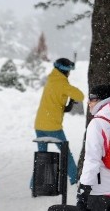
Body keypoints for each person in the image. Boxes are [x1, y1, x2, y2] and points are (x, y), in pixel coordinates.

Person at [33, 58, 84, 186]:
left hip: (39, 124)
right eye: (69, 71)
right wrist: (72, 98)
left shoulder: (51, 79)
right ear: (65, 71)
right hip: (53, 127)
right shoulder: (62, 84)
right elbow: (80, 95)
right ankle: (74, 178)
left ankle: (35, 184)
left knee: (41, 156)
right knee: (66, 152)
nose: (70, 74)